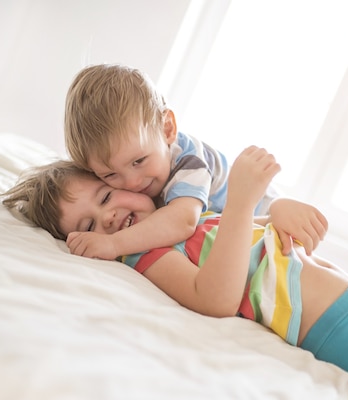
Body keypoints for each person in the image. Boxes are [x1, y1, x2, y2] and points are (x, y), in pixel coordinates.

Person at [2, 146, 348, 400]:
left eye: (104, 196)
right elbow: (214, 297)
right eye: (88, 227)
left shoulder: (182, 211)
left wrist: (270, 213)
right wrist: (239, 205)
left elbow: (252, 237)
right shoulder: (146, 254)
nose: (110, 218)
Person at [63, 63, 277, 261]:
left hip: (266, 215)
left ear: (167, 129)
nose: (132, 183)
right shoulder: (140, 161)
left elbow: (183, 222)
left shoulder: (190, 161)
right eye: (110, 175)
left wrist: (113, 244)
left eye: (138, 161)